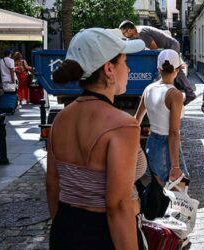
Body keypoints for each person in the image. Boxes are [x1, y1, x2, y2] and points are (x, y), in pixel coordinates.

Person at [46, 28, 146, 249]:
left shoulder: (60, 120)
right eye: (125, 62)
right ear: (109, 69)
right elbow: (118, 206)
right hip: (105, 236)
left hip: (64, 231)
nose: (128, 69)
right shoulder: (122, 125)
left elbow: (52, 186)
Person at [135, 49, 189, 184]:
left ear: (158, 68)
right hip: (167, 146)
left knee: (161, 188)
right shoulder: (174, 94)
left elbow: (136, 120)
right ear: (178, 69)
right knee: (178, 191)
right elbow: (174, 132)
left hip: (152, 143)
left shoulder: (148, 88)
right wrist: (175, 166)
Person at [119, 20, 196, 106]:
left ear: (129, 30)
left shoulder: (141, 34)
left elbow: (154, 48)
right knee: (175, 69)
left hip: (171, 46)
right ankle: (189, 93)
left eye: (124, 33)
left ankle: (184, 93)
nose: (124, 35)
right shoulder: (137, 32)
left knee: (169, 69)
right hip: (168, 47)